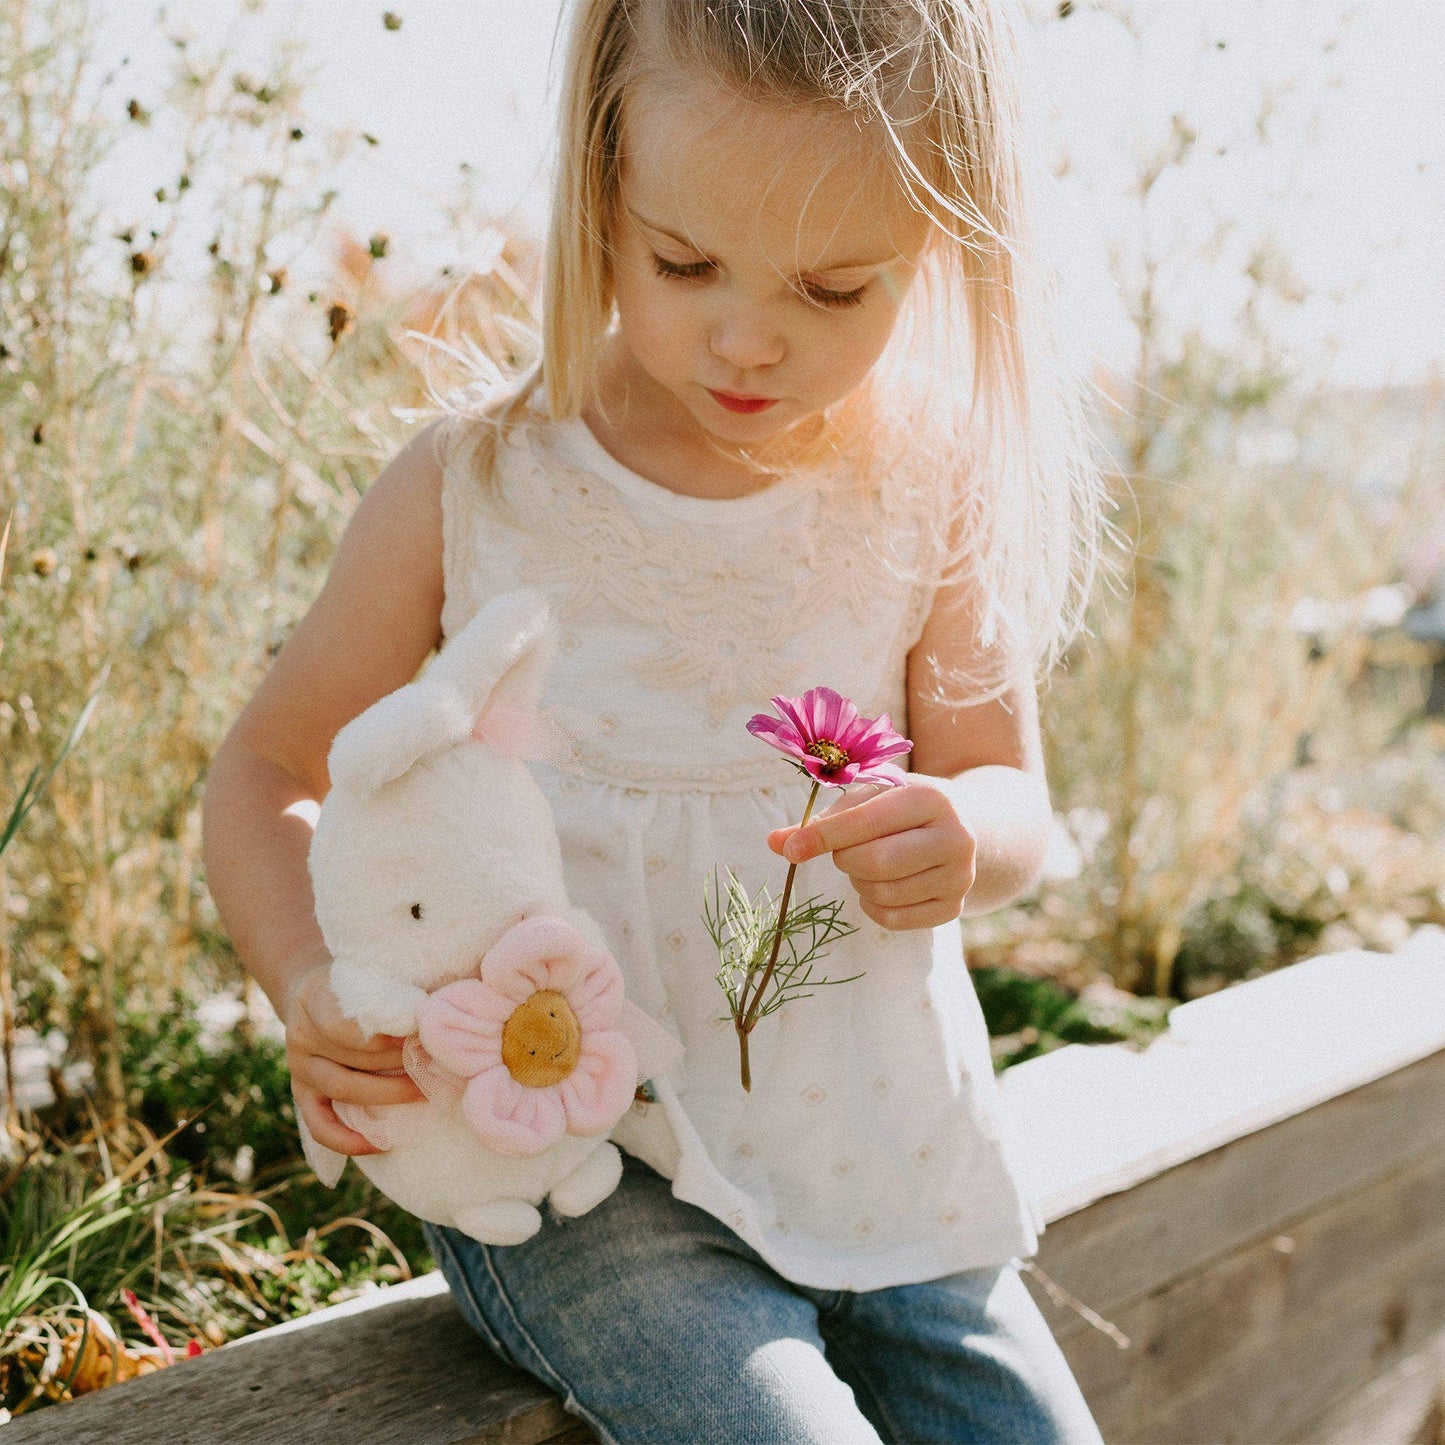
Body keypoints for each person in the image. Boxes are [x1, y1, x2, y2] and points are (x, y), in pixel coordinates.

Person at [202, 0, 1112, 1439]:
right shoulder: (478, 481)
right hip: (578, 1170)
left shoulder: (931, 481)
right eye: (684, 262)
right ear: (600, 186)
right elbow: (264, 768)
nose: (749, 336)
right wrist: (309, 978)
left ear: (936, 251)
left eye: (835, 289)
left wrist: (963, 833)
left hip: (883, 1156)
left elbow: (1007, 786)